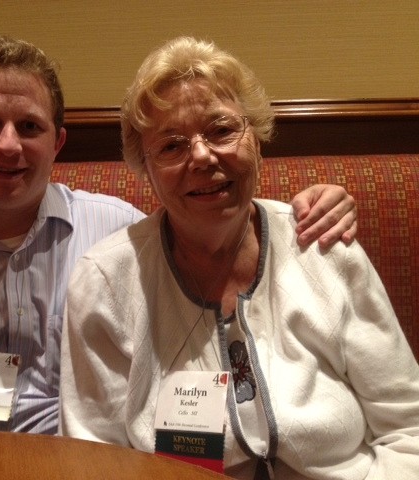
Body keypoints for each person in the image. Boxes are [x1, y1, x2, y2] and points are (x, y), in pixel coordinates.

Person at [0, 34, 356, 438]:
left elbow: (217, 225)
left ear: (57, 142)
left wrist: (306, 209)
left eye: (29, 127)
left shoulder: (121, 234)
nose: (8, 146)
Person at [59, 36, 419, 479]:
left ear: (258, 139)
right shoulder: (107, 282)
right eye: (171, 145)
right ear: (145, 170)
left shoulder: (322, 244)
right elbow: (94, 458)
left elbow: (408, 425)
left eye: (222, 130)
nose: (203, 156)